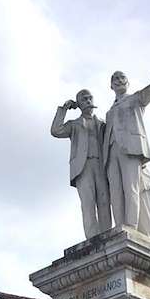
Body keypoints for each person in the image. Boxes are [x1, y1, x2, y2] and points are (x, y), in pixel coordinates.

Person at [103, 55, 150, 237]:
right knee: (116, 190)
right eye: (114, 79)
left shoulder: (135, 99)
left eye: (121, 77)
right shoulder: (109, 111)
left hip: (130, 148)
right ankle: (119, 225)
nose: (118, 80)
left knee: (131, 186)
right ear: (110, 86)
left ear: (127, 82)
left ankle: (130, 225)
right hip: (111, 151)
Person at [50, 89, 111, 240]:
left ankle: (107, 236)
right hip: (82, 167)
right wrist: (63, 109)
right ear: (79, 103)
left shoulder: (102, 123)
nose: (88, 101)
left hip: (101, 165)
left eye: (90, 98)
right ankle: (92, 239)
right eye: (84, 99)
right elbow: (56, 130)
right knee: (88, 203)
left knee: (104, 201)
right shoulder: (74, 124)